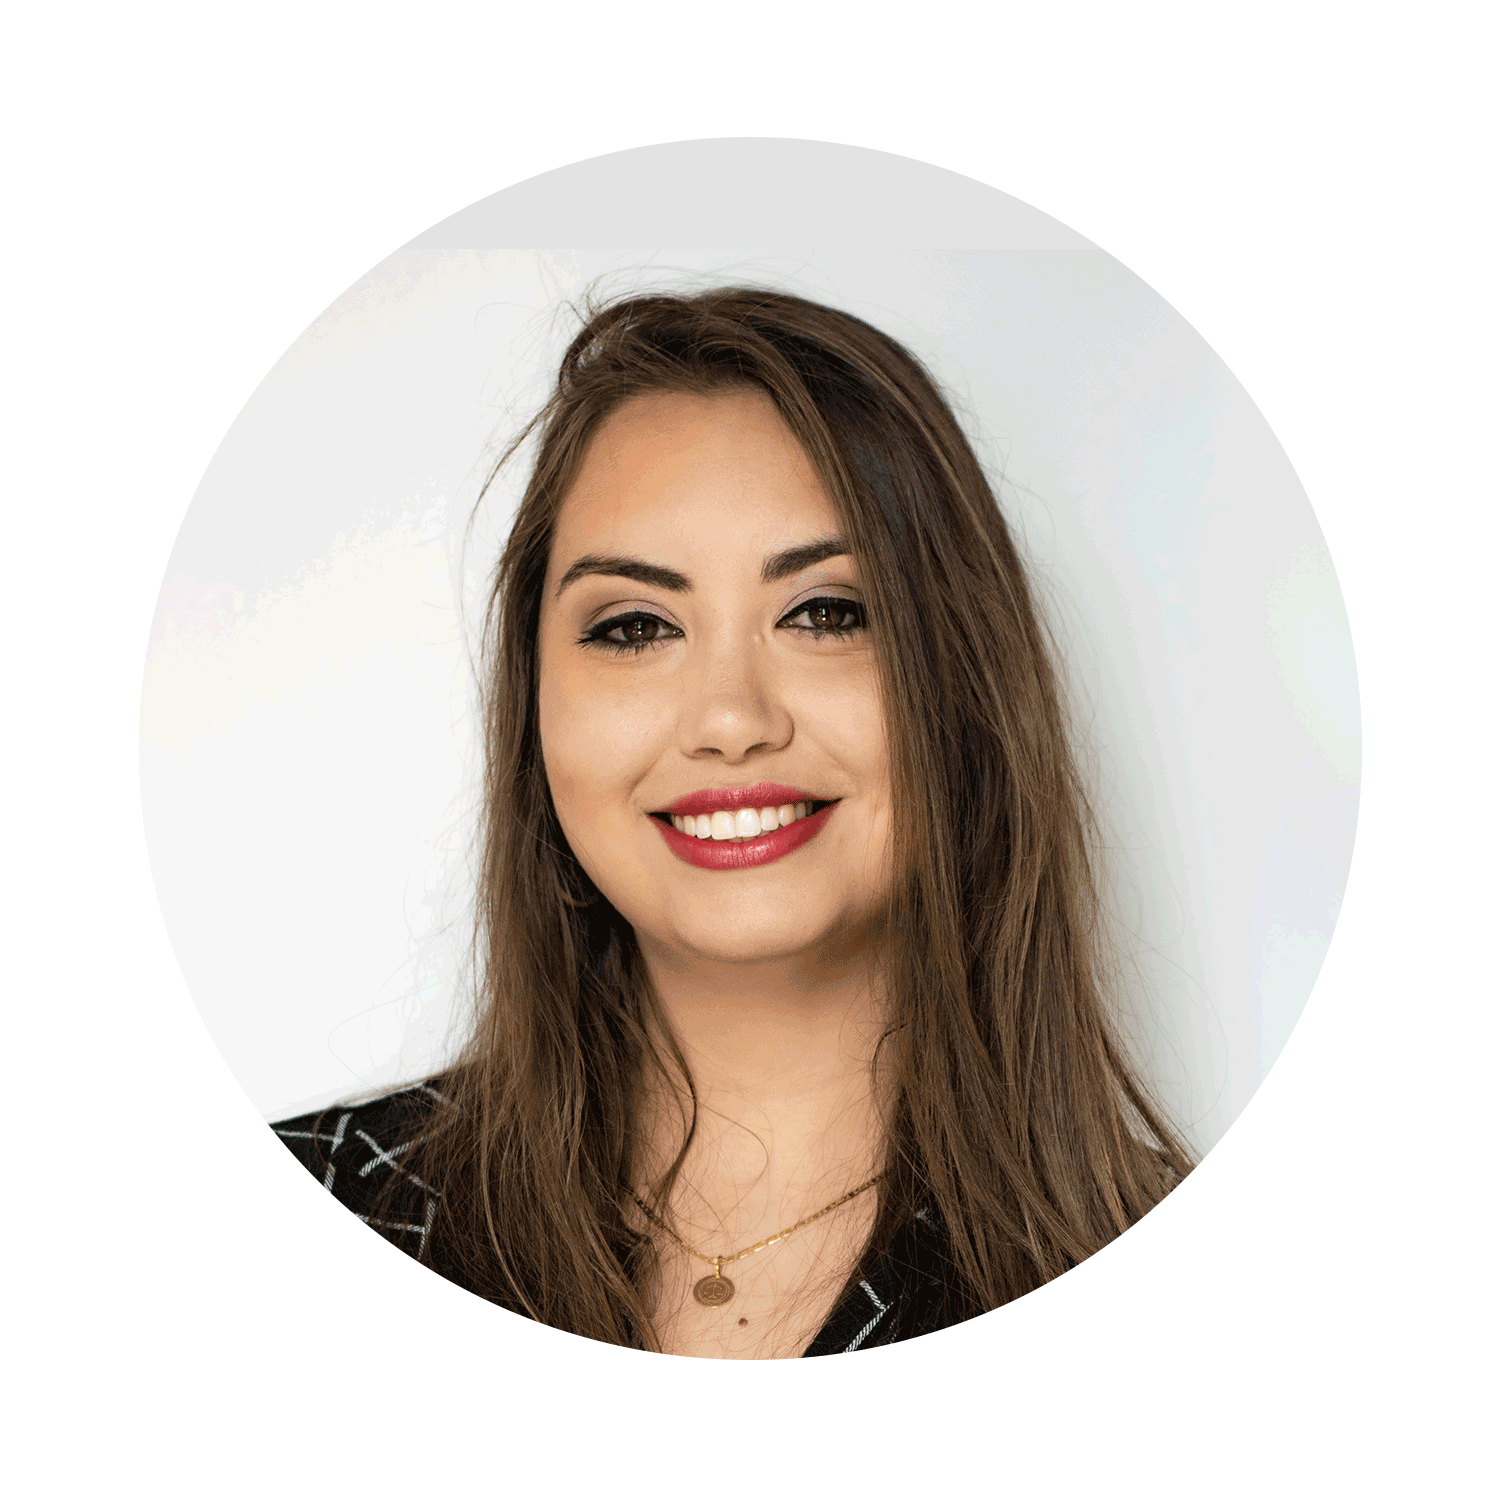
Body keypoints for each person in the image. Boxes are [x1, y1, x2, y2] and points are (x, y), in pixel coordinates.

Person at [274, 285, 1195, 1359]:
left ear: (963, 682)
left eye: (827, 612)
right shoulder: (295, 1218)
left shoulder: (1184, 1270)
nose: (730, 720)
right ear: (534, 710)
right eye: (633, 627)